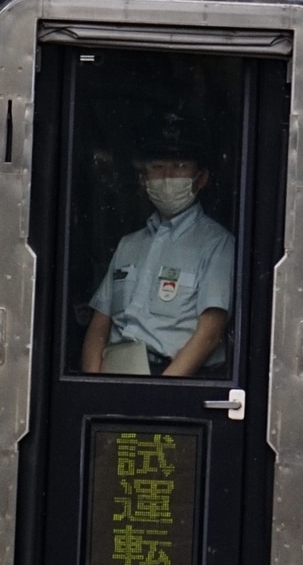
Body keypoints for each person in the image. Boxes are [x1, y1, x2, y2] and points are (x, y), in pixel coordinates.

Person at [81, 112, 235, 378]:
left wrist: (160, 392)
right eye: (157, 166)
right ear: (143, 179)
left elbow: (209, 334)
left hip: (170, 379)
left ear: (201, 178)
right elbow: (99, 324)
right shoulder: (129, 244)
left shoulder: (217, 244)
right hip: (113, 376)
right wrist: (93, 382)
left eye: (179, 166)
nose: (166, 176)